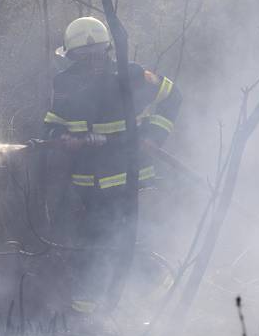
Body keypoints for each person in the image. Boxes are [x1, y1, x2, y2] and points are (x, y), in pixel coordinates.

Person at [42, 16, 181, 314]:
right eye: (82, 56)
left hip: (131, 178)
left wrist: (154, 135)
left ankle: (153, 301)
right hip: (88, 184)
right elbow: (52, 122)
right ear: (71, 56)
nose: (90, 61)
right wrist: (60, 137)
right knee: (93, 244)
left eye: (96, 54)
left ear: (106, 50)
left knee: (132, 241)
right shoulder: (63, 84)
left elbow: (173, 97)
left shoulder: (130, 75)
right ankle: (89, 315)